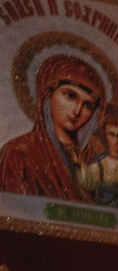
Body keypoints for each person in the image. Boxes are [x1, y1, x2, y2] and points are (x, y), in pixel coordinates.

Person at [1, 53, 103, 203]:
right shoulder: (18, 154)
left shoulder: (94, 158)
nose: (77, 110)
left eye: (87, 105)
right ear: (48, 94)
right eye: (70, 95)